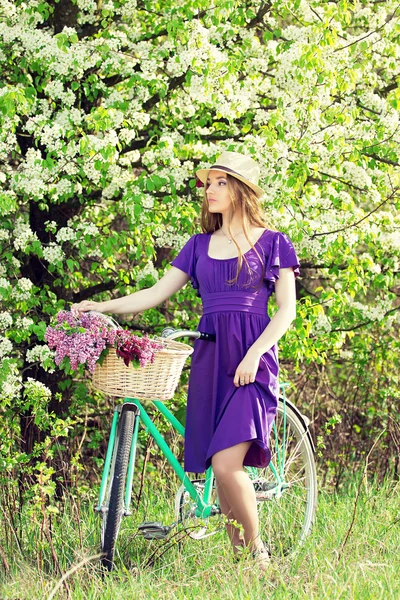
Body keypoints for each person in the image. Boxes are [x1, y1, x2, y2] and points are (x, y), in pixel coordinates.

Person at [72, 151, 299, 572]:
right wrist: (100, 306)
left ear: (240, 190)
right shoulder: (197, 246)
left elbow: (286, 310)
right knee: (218, 465)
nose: (209, 190)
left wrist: (255, 354)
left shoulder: (273, 242)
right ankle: (242, 564)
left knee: (226, 464)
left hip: (253, 359)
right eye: (208, 183)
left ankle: (260, 557)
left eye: (219, 182)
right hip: (211, 359)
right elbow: (154, 294)